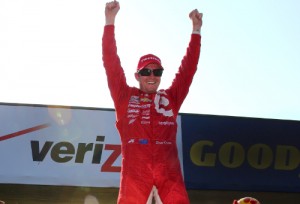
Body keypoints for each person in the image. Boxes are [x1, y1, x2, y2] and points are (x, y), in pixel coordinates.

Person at [102, 1, 203, 203]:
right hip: (135, 174)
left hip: (169, 175)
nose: (152, 75)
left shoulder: (170, 98)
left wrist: (196, 31)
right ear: (137, 75)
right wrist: (109, 21)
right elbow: (111, 62)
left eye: (157, 72)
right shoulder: (124, 96)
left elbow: (187, 70)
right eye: (146, 71)